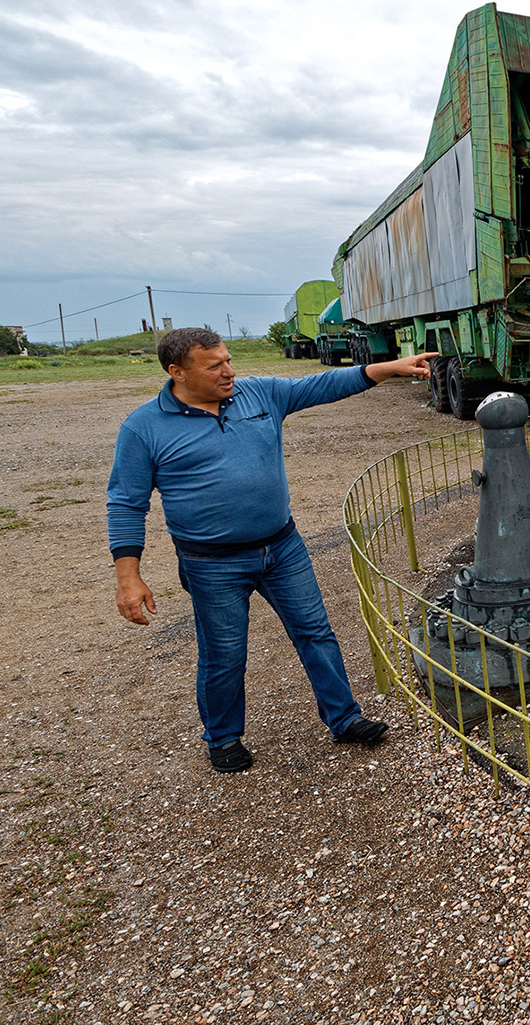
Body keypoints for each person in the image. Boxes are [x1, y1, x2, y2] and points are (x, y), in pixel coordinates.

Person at [108, 327, 438, 773]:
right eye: (215, 366)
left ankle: (344, 719)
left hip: (283, 547)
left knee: (316, 633)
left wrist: (388, 368)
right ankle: (223, 738)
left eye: (227, 359)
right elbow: (126, 502)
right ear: (177, 372)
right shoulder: (143, 427)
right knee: (224, 653)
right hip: (212, 563)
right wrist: (128, 576)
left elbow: (320, 385)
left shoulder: (257, 395)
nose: (230, 371)